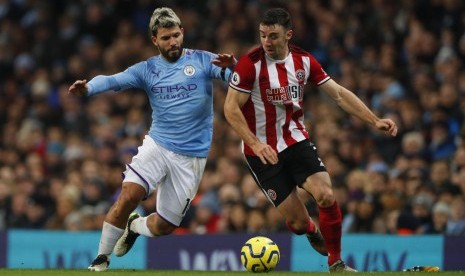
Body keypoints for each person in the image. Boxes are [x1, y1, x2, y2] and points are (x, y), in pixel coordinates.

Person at [224, 8, 398, 273]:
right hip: (260, 152)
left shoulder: (304, 61)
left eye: (273, 36)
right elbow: (230, 109)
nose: (267, 42)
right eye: (263, 36)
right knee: (296, 223)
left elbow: (338, 94)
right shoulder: (250, 64)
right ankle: (310, 229)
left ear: (288, 35)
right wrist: (256, 143)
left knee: (326, 195)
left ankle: (336, 262)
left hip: (295, 140)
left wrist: (374, 120)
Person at [69, 7, 235, 271]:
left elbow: (234, 77)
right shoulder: (147, 69)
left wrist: (233, 69)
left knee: (164, 226)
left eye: (176, 35)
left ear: (183, 33)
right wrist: (89, 88)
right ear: (154, 40)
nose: (173, 42)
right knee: (128, 194)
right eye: (166, 38)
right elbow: (113, 80)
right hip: (157, 145)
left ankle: (134, 227)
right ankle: (101, 258)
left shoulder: (204, 60)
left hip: (191, 157)